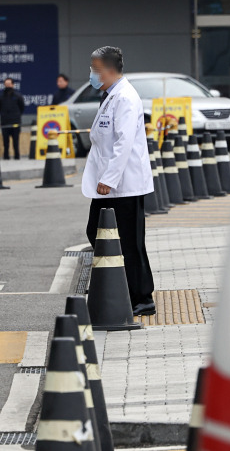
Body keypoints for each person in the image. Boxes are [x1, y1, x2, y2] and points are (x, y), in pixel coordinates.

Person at [82, 46, 156, 316]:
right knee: (97, 231)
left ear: (110, 70)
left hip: (124, 184)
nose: (91, 74)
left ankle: (142, 297)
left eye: (95, 69)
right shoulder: (111, 95)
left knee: (130, 240)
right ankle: (122, 286)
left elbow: (123, 142)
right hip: (110, 184)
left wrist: (110, 178)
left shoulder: (125, 97)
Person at [0, 78, 25, 160]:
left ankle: (17, 156)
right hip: (5, 122)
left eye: (9, 84)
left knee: (16, 141)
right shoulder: (1, 97)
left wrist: (17, 116)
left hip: (15, 122)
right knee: (5, 142)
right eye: (6, 84)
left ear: (13, 85)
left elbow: (22, 107)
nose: (8, 86)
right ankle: (6, 156)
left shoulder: (18, 96)